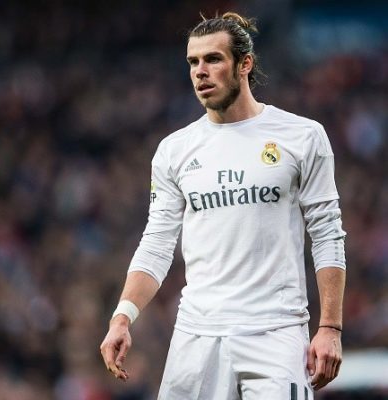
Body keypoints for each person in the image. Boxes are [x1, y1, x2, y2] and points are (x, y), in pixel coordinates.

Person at [99, 11, 347, 399]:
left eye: (213, 59)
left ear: (244, 64)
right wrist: (122, 317)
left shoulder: (302, 136)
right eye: (193, 62)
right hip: (196, 335)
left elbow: (328, 234)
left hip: (276, 332)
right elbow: (157, 243)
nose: (200, 71)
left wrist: (330, 327)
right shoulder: (175, 150)